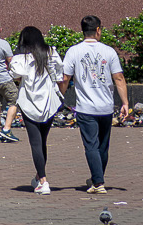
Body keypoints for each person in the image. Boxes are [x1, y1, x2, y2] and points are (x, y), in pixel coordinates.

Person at [60, 15, 131, 191]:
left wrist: (59, 97)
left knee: (91, 145)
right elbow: (119, 78)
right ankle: (96, 178)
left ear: (82, 30)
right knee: (102, 146)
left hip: (86, 107)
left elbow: (65, 79)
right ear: (98, 30)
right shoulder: (109, 51)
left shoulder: (73, 51)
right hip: (106, 106)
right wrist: (125, 103)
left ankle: (98, 182)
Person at [9, 26, 65, 194]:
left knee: (35, 143)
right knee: (42, 142)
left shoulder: (22, 58)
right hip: (49, 102)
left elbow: (14, 74)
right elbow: (59, 74)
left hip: (29, 102)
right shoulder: (51, 52)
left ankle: (43, 181)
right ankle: (38, 177)